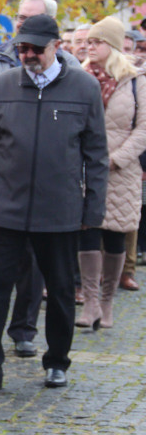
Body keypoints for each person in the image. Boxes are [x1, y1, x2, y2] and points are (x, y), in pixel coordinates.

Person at [0, 14, 108, 393]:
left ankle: (57, 361)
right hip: (5, 210)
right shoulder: (1, 85)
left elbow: (96, 153)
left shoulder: (84, 87)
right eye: (22, 48)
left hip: (59, 213)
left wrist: (92, 211)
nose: (27, 55)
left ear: (56, 47)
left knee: (59, 292)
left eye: (35, 49)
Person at [0, 0, 80, 356]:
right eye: (19, 17)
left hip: (52, 199)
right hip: (4, 192)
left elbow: (90, 145)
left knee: (39, 274)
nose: (22, 25)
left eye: (31, 19)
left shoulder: (74, 73)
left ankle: (25, 330)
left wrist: (88, 206)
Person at [76, 17, 146, 328]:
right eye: (89, 41)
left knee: (117, 234)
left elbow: (143, 127)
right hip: (85, 168)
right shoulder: (79, 75)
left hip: (121, 169)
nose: (90, 47)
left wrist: (118, 159)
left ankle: (108, 301)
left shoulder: (135, 79)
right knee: (87, 232)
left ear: (113, 46)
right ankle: (90, 301)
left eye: (97, 41)